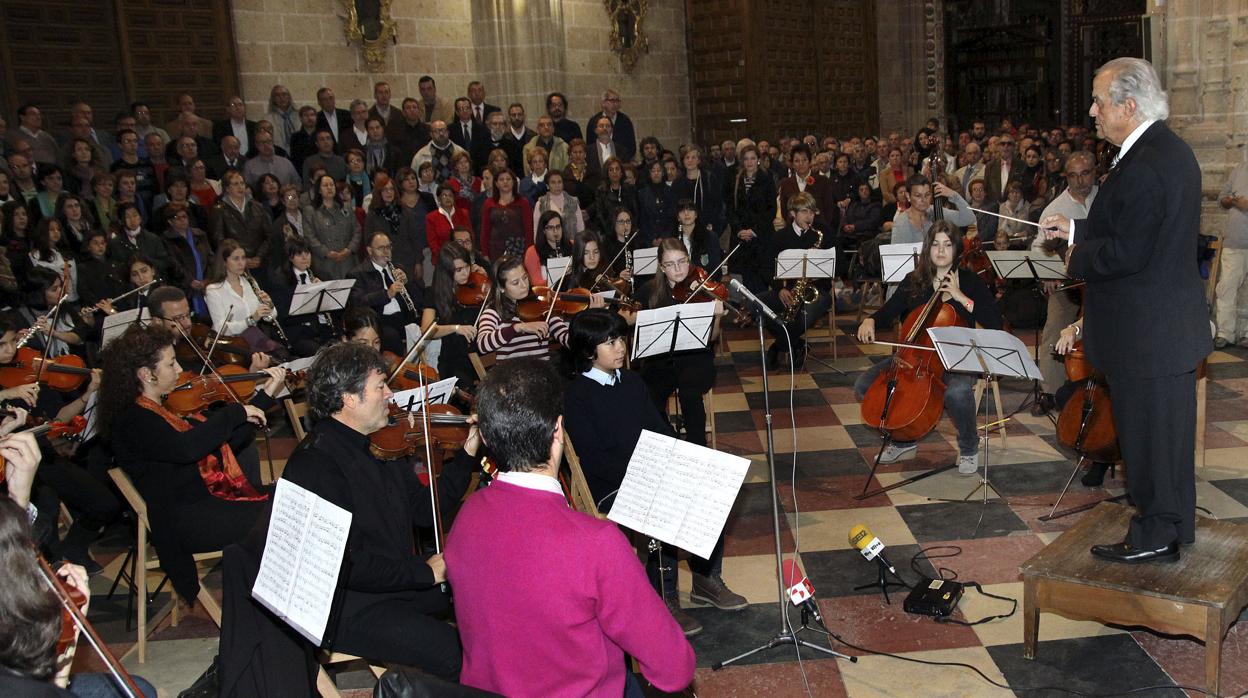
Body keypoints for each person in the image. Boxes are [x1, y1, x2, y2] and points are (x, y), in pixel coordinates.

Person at [1040, 57, 1210, 564]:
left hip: (1147, 333)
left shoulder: (1146, 163)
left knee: (1148, 441)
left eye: (1098, 100)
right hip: (1162, 327)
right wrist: (1074, 231)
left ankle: (1155, 533)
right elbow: (1139, 231)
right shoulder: (1166, 150)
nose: (1092, 111)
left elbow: (1126, 253)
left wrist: (1077, 254)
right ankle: (1174, 523)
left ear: (1128, 105)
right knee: (1167, 440)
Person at [445, 357, 695, 697]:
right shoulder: (596, 542)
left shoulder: (466, 516)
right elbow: (674, 668)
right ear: (558, 430)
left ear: (486, 437)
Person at [279, 341, 470, 678]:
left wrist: (466, 456)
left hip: (392, 583)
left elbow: (426, 513)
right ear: (348, 398)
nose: (390, 395)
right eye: (380, 386)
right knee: (454, 652)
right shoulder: (316, 464)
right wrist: (424, 573)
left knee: (486, 591)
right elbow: (347, 566)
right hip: (348, 606)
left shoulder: (381, 443)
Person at [100, 324, 281, 605]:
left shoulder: (162, 408)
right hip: (187, 520)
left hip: (209, 502)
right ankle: (269, 605)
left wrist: (264, 397)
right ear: (147, 374)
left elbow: (220, 447)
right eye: (171, 363)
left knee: (293, 498)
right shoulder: (134, 421)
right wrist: (235, 412)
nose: (179, 367)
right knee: (286, 518)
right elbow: (188, 448)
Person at [855, 220, 1003, 475]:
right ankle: (904, 439)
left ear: (956, 250)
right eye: (936, 244)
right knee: (865, 386)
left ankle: (969, 447)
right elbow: (889, 310)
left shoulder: (969, 282)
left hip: (956, 357)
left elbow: (994, 321)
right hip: (913, 359)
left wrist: (960, 297)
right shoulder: (915, 280)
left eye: (948, 245)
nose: (941, 251)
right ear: (928, 249)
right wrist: (870, 320)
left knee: (957, 393)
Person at [1030, 151, 1099, 413]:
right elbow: (1039, 246)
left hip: (1101, 279)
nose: (1080, 181)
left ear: (1094, 172)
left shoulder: (1103, 197)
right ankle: (1050, 391)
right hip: (1069, 282)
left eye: (1086, 173)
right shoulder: (1055, 209)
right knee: (1055, 326)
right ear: (1066, 177)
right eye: (1073, 175)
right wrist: (1047, 271)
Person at [759, 192, 836, 370]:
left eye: (812, 212)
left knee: (806, 314)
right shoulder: (780, 237)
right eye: (804, 212)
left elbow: (840, 265)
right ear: (792, 213)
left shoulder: (824, 233)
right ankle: (797, 344)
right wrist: (779, 289)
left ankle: (779, 346)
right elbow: (765, 268)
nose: (810, 217)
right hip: (788, 290)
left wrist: (821, 272)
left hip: (817, 291)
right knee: (756, 303)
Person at [476, 254, 590, 362]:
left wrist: (588, 317)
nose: (524, 285)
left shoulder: (541, 306)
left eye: (525, 278)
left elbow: (568, 339)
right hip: (512, 376)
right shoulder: (493, 312)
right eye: (515, 283)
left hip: (541, 373)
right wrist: (517, 328)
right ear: (501, 287)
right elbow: (483, 345)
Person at [348, 232, 423, 355]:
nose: (386, 251)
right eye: (381, 248)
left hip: (404, 316)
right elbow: (358, 303)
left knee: (426, 325)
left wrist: (408, 283)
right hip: (379, 320)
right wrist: (386, 294)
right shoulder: (358, 274)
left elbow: (418, 299)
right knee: (391, 336)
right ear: (369, 250)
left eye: (388, 247)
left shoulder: (397, 268)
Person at [420, 242, 481, 390]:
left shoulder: (477, 285)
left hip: (480, 353)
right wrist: (455, 328)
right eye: (459, 269)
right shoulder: (434, 293)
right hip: (454, 361)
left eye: (467, 266)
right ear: (446, 270)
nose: (466, 273)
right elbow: (427, 330)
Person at [727, 144, 779, 292]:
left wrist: (754, 230)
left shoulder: (766, 178)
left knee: (762, 278)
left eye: (752, 158)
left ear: (758, 160)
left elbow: (771, 209)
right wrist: (739, 230)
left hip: (761, 236)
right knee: (747, 277)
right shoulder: (736, 179)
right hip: (742, 237)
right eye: (746, 159)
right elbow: (731, 209)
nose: (749, 162)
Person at [1215, 156, 1248, 349]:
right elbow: (1222, 199)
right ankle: (1224, 333)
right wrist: (1231, 200)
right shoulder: (1239, 169)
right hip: (1234, 241)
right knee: (1226, 287)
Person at [303, 174, 361, 280]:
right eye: (325, 185)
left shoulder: (346, 207)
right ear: (319, 190)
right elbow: (310, 237)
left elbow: (357, 231)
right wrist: (326, 252)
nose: (329, 187)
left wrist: (349, 249)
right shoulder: (310, 211)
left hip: (347, 261)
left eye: (332, 185)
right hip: (324, 263)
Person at [524, 210, 573, 286]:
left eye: (558, 226)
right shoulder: (532, 252)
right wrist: (557, 278)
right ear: (543, 230)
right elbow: (536, 283)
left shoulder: (572, 245)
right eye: (550, 228)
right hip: (547, 295)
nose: (555, 231)